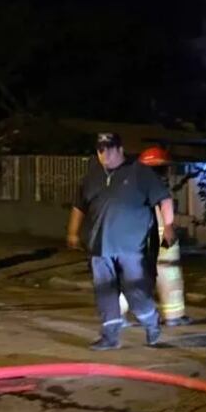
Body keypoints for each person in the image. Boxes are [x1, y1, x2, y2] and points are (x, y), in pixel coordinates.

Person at [67, 133, 175, 350]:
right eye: (100, 150)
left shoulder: (140, 173)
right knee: (104, 292)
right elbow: (79, 207)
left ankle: (151, 321)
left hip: (131, 247)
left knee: (135, 292)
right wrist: (73, 232)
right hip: (99, 247)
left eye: (109, 149)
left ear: (120, 150)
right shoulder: (92, 177)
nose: (104, 154)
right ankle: (110, 336)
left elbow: (164, 199)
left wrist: (169, 227)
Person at [119, 147, 191, 327]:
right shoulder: (155, 184)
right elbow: (165, 205)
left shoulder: (129, 185)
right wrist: (168, 228)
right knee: (169, 274)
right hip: (159, 236)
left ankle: (117, 316)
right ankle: (173, 316)